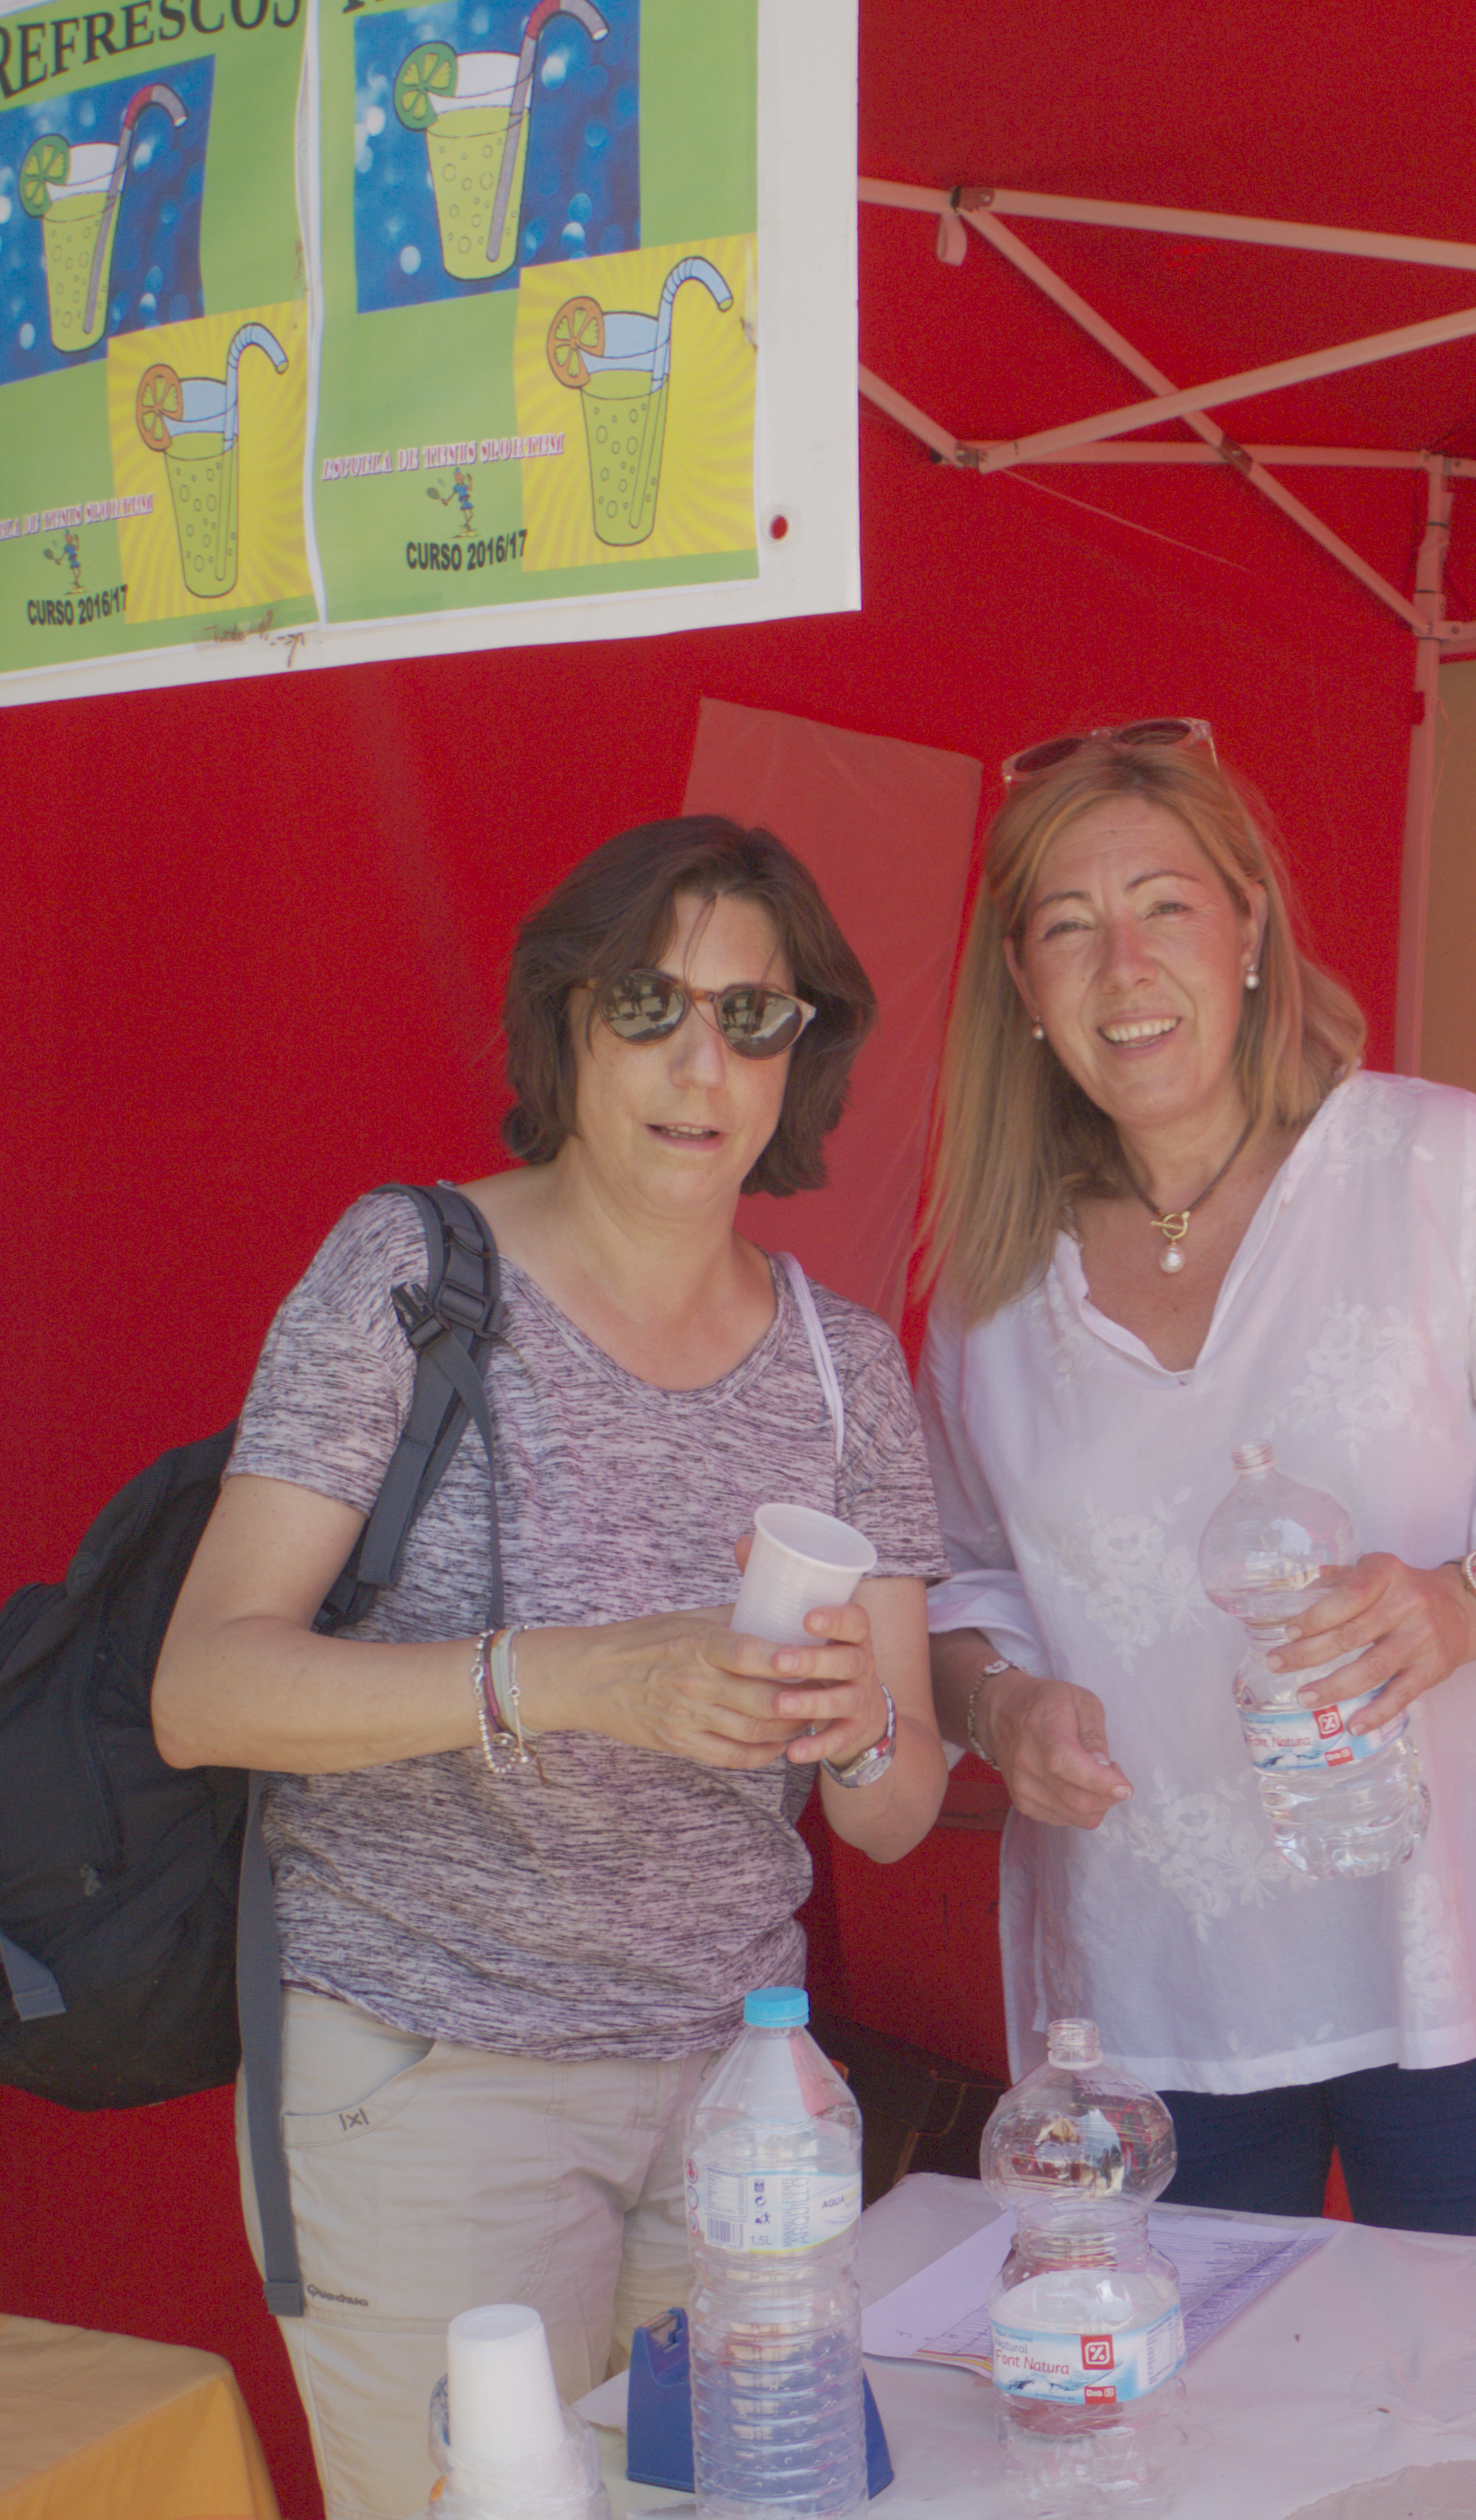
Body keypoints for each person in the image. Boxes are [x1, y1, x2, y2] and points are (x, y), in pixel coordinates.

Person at [154, 819, 946, 2519]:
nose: (699, 1063)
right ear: (567, 1022)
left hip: (740, 2100)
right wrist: (573, 1677)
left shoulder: (843, 1367)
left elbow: (894, 1812)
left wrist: (861, 1721)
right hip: (434, 2071)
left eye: (752, 1015)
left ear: (801, 1054)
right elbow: (206, 1688)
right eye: (648, 1004)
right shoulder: (414, 1275)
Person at [914, 720, 1476, 2243]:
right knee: (1193, 2393)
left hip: (1451, 1957)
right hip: (1154, 1993)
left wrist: (1467, 1603)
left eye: (1166, 905)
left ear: (1249, 932)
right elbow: (953, 1581)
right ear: (1023, 989)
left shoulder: (1427, 1165)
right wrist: (996, 1708)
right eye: (1069, 927)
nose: (1124, 966)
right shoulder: (988, 1284)